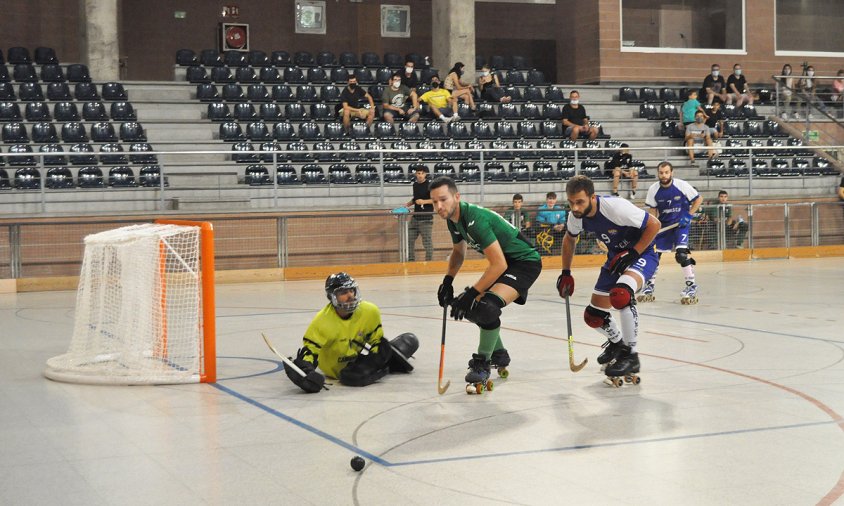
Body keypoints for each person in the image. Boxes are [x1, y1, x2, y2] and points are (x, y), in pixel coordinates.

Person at [431, 176, 542, 392]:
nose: (439, 206)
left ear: (457, 197)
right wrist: (447, 281)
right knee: (468, 306)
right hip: (506, 264)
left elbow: (498, 264)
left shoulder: (474, 218)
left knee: (485, 307)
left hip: (524, 263)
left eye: (443, 199)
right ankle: (499, 353)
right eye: (434, 201)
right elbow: (457, 252)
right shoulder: (453, 219)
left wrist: (473, 293)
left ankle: (482, 363)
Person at [556, 175, 661, 385]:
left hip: (642, 254)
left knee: (621, 295)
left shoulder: (615, 208)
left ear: (592, 197)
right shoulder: (576, 216)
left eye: (580, 202)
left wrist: (633, 252)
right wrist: (566, 272)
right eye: (571, 202)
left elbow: (654, 224)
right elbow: (569, 239)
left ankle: (631, 355)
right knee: (593, 315)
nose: (575, 207)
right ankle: (617, 343)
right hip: (615, 259)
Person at [284, 272, 419, 393]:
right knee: (349, 376)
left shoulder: (370, 311)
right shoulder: (321, 322)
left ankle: (388, 361)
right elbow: (311, 351)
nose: (350, 296)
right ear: (332, 297)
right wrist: (305, 371)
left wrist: (376, 360)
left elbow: (376, 340)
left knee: (410, 341)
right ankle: (389, 364)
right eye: (343, 292)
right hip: (333, 369)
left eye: (351, 290)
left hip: (357, 360)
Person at [641, 161, 703, 304]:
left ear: (672, 173)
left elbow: (699, 199)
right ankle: (649, 286)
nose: (664, 175)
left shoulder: (681, 185)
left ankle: (691, 287)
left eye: (666, 172)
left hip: (681, 224)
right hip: (664, 226)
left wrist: (689, 215)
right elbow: (652, 212)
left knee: (681, 254)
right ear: (658, 173)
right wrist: (652, 227)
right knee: (654, 256)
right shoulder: (653, 189)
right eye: (661, 173)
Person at [406, 165, 433, 261]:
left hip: (426, 219)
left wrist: (424, 202)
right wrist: (407, 205)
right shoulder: (415, 185)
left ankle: (429, 263)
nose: (420, 175)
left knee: (427, 242)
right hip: (415, 218)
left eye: (422, 173)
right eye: (418, 173)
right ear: (415, 174)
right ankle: (411, 261)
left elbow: (436, 199)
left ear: (425, 174)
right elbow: (415, 198)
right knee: (408, 240)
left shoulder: (430, 185)